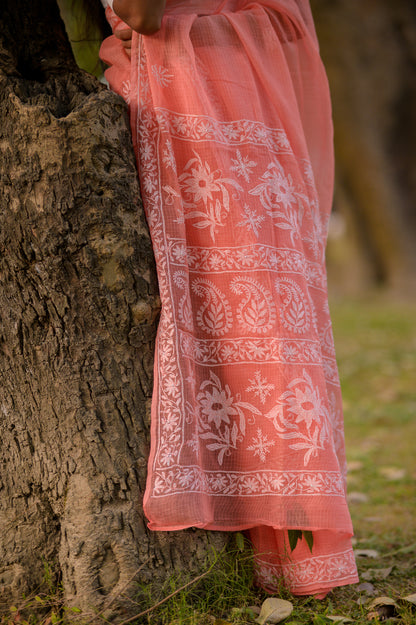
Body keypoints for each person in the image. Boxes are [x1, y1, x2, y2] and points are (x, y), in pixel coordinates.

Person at [99, 0, 359, 596]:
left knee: (241, 315)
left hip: (197, 104)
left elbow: (141, 12)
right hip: (243, 102)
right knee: (265, 321)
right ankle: (287, 541)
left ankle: (269, 528)